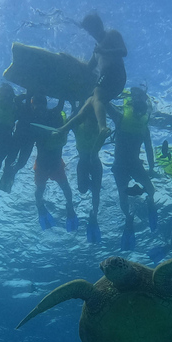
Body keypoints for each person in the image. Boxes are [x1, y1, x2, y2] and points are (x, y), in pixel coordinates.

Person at [54, 12, 127, 149]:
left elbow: (124, 51)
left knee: (97, 95)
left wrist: (105, 51)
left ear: (99, 25)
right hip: (111, 82)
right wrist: (69, 61)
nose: (92, 33)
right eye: (89, 31)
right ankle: (63, 129)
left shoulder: (111, 34)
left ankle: (102, 128)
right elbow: (88, 68)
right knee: (88, 106)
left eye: (92, 29)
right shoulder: (96, 51)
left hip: (115, 73)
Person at [109, 87, 157, 250]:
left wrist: (151, 168)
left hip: (134, 164)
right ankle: (128, 218)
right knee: (123, 195)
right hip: (121, 165)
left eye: (141, 111)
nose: (138, 114)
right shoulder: (120, 117)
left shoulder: (143, 126)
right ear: (132, 106)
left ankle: (149, 203)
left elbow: (149, 149)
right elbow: (105, 104)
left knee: (151, 190)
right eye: (137, 110)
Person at [31, 96, 77, 231]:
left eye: (39, 105)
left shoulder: (53, 116)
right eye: (35, 106)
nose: (37, 109)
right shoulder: (35, 120)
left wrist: (67, 98)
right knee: (41, 190)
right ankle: (40, 206)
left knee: (64, 188)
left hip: (54, 164)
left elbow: (61, 109)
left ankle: (69, 206)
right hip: (45, 164)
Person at [71, 101, 102, 243]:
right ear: (86, 120)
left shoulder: (99, 130)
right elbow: (73, 120)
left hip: (96, 165)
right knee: (82, 190)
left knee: (96, 193)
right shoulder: (78, 127)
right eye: (91, 121)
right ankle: (89, 184)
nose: (93, 125)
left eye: (95, 122)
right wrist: (74, 105)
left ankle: (94, 215)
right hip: (83, 163)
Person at [0, 92, 37, 193]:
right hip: (24, 139)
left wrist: (27, 95)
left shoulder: (37, 112)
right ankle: (9, 173)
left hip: (23, 139)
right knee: (14, 159)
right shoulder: (28, 109)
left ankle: (11, 173)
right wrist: (27, 95)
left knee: (20, 161)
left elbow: (16, 100)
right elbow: (16, 100)